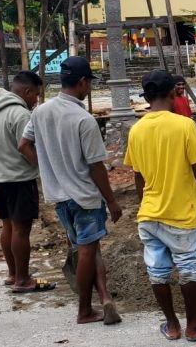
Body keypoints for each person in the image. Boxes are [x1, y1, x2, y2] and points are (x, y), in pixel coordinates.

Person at [18, 56, 122, 325]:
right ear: (82, 82)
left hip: (60, 197)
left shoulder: (40, 112)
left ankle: (104, 298)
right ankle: (84, 310)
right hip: (85, 196)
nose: (90, 88)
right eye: (89, 83)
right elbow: (96, 166)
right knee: (87, 251)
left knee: (88, 248)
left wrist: (48, 169)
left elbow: (24, 145)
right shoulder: (83, 119)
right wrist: (111, 200)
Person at [123, 70, 196, 341]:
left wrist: (144, 204)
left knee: (157, 271)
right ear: (172, 93)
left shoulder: (136, 130)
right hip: (181, 214)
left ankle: (171, 325)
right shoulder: (184, 126)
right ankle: (194, 326)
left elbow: (138, 176)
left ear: (146, 97)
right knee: (188, 267)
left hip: (149, 215)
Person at [0, 71, 54, 293]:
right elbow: (26, 147)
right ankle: (23, 280)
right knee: (21, 229)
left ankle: (13, 274)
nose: (36, 100)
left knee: (8, 225)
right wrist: (43, 170)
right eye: (36, 95)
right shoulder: (21, 115)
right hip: (19, 179)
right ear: (27, 92)